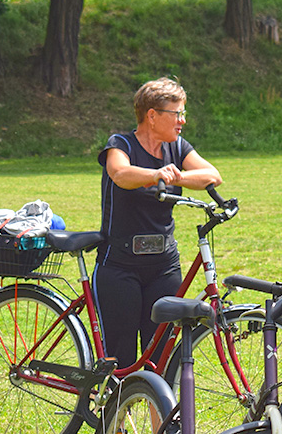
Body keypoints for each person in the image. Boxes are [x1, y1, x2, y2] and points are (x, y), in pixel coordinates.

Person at [92, 77, 223, 372]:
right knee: (120, 359)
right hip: (120, 268)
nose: (183, 121)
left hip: (164, 267)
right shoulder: (120, 144)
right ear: (152, 116)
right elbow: (120, 174)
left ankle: (159, 420)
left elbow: (212, 175)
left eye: (183, 114)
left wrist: (176, 177)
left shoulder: (177, 148)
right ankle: (115, 418)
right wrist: (155, 175)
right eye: (177, 114)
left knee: (162, 358)